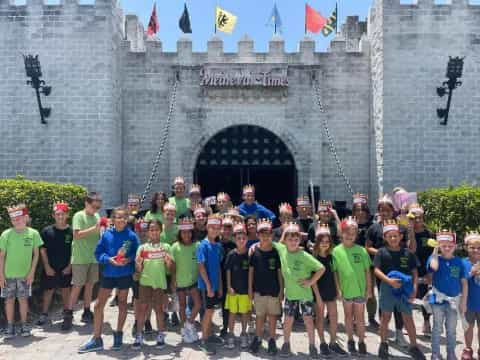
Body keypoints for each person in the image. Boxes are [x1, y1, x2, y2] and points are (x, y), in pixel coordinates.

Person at [78, 206, 140, 353]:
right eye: (118, 217)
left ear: (127, 219)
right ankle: (96, 338)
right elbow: (98, 253)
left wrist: (129, 260)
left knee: (123, 303)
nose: (122, 220)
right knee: (99, 305)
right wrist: (108, 259)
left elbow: (137, 254)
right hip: (109, 274)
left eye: (124, 217)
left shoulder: (131, 236)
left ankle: (118, 334)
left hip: (125, 274)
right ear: (113, 219)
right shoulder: (106, 235)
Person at [373, 220, 425, 360]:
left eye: (395, 236)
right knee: (385, 317)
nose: (393, 239)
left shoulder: (408, 253)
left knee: (408, 317)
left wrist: (414, 288)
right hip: (387, 288)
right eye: (389, 236)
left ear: (401, 236)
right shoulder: (381, 253)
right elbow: (376, 270)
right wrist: (389, 281)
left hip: (405, 289)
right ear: (385, 237)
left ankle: (414, 346)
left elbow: (414, 272)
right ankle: (383, 344)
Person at [365, 194, 410, 346]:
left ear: (393, 211)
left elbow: (408, 248)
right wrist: (381, 253)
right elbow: (367, 247)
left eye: (387, 210)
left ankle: (399, 332)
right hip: (381, 270)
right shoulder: (374, 227)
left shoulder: (401, 227)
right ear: (378, 211)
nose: (385, 213)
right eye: (382, 210)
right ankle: (383, 332)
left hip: (400, 269)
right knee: (384, 300)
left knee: (399, 300)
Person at [276, 222, 325, 358]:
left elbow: (321, 268)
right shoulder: (282, 249)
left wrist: (311, 281)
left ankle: (312, 345)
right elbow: (273, 243)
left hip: (305, 295)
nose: (293, 242)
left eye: (296, 239)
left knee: (308, 320)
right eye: (290, 239)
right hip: (290, 296)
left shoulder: (304, 255)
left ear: (300, 240)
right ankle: (286, 344)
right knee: (288, 320)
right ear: (285, 240)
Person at [0, 203, 43, 338]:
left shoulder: (33, 233)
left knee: (23, 300)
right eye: (13, 219)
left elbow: (36, 254)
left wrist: (31, 273)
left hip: (25, 276)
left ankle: (24, 325)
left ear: (25, 218)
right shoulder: (6, 234)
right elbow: (2, 256)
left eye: (18, 219)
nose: (16, 221)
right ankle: (10, 326)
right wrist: (1, 275)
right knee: (9, 300)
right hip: (8, 275)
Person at [63, 192, 102, 331]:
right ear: (86, 203)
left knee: (90, 286)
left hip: (93, 257)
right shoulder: (79, 216)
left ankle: (86, 311)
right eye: (94, 206)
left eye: (98, 207)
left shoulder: (97, 216)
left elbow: (99, 236)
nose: (96, 209)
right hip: (80, 258)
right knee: (77, 286)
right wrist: (94, 228)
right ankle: (68, 314)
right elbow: (76, 235)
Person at [332, 217, 372, 355]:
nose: (349, 235)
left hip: (360, 291)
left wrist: (369, 289)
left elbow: (367, 271)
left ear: (356, 235)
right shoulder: (336, 251)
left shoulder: (362, 251)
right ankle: (350, 340)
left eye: (353, 233)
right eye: (347, 232)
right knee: (348, 316)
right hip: (345, 291)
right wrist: (338, 289)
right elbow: (335, 272)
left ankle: (361, 341)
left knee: (360, 317)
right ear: (341, 233)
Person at [132, 220, 173, 349]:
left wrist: (169, 263)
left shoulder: (166, 247)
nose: (154, 232)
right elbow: (137, 269)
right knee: (142, 310)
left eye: (156, 229)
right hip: (144, 283)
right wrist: (138, 265)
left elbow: (171, 269)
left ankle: (160, 334)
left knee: (159, 310)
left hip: (160, 284)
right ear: (148, 232)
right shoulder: (142, 248)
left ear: (161, 231)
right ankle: (139, 335)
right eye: (151, 230)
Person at [428, 230, 468, 360]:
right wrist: (435, 250)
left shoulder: (459, 262)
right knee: (437, 328)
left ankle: (451, 353)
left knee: (451, 329)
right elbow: (433, 267)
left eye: (450, 246)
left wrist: (463, 302)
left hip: (454, 301)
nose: (447, 248)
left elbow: (464, 283)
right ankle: (435, 353)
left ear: (455, 246)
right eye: (443, 245)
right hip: (438, 301)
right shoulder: (435, 259)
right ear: (439, 246)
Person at [311, 224, 347, 357]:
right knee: (319, 318)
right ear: (317, 242)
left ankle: (333, 342)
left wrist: (338, 290)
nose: (325, 244)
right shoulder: (313, 258)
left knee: (334, 317)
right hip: (319, 293)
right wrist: (318, 298)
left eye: (327, 242)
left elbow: (335, 274)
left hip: (331, 291)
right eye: (322, 241)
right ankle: (322, 343)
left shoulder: (332, 257)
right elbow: (312, 280)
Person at [248, 218, 283, 355]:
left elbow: (280, 273)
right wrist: (250, 289)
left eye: (267, 233)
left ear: (272, 235)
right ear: (257, 235)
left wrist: (281, 290)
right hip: (258, 291)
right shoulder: (254, 252)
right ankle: (257, 338)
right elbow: (251, 272)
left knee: (273, 316)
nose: (265, 236)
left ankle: (272, 340)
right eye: (261, 234)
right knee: (259, 315)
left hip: (274, 290)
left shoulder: (276, 252)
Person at [37, 202, 73, 326]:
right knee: (48, 290)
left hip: (66, 267)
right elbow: (43, 250)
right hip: (50, 267)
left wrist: (69, 267)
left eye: (63, 214)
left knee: (66, 290)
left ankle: (67, 313)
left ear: (67, 215)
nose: (60, 217)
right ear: (53, 215)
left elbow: (75, 251)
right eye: (58, 214)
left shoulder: (71, 232)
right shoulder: (47, 231)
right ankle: (44, 314)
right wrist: (47, 267)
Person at [197, 214, 224, 355]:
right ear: (207, 228)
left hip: (214, 286)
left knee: (212, 311)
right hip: (206, 286)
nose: (214, 230)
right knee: (207, 313)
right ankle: (204, 340)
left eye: (217, 228)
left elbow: (218, 267)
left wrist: (219, 286)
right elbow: (201, 266)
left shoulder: (218, 245)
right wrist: (208, 286)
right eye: (212, 227)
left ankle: (209, 334)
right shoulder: (203, 245)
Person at [406, 204, 435, 335]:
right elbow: (411, 249)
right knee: (408, 297)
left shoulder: (429, 234)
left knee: (425, 299)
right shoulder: (405, 232)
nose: (417, 220)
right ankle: (408, 324)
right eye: (414, 218)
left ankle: (427, 323)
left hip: (424, 270)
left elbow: (433, 255)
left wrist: (430, 273)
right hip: (410, 269)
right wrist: (411, 229)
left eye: (420, 218)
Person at [171, 218, 201, 344]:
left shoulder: (197, 245)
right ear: (180, 233)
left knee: (198, 304)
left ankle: (189, 323)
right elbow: (172, 267)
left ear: (192, 232)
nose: (186, 234)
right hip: (180, 282)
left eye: (189, 232)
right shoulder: (175, 247)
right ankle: (185, 329)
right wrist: (173, 281)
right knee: (182, 306)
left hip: (194, 281)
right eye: (183, 232)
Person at [224, 222, 252, 350]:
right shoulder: (231, 254)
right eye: (238, 238)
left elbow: (252, 273)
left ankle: (244, 333)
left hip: (246, 290)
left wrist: (251, 289)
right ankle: (230, 334)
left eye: (243, 238)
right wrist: (229, 286)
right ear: (234, 239)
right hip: (233, 291)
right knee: (232, 313)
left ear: (247, 239)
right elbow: (228, 271)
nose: (241, 240)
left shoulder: (250, 254)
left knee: (245, 313)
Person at [352, 193, 377, 328]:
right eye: (357, 209)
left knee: (370, 291)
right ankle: (355, 318)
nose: (360, 212)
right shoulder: (351, 224)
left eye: (362, 209)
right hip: (354, 263)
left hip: (370, 263)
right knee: (356, 291)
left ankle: (371, 317)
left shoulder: (372, 224)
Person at [462, 232, 480, 360]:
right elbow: (458, 281)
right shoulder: (462, 263)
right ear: (466, 247)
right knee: (468, 327)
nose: (476, 250)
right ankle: (468, 349)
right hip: (468, 302)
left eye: (479, 248)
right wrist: (471, 273)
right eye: (472, 247)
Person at [219, 216, 236, 337]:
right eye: (224, 228)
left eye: (229, 228)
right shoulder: (215, 244)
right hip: (217, 279)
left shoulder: (234, 245)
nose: (226, 231)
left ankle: (227, 328)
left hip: (230, 280)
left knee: (228, 307)